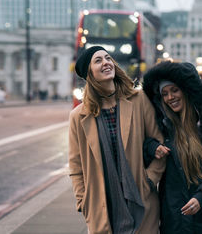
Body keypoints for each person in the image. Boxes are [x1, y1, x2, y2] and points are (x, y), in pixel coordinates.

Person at [68, 46, 166, 234]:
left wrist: (150, 180)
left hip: (141, 200)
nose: (106, 62)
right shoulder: (78, 116)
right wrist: (83, 201)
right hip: (102, 205)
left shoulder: (139, 99)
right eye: (98, 60)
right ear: (89, 73)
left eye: (107, 58)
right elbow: (75, 165)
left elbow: (159, 143)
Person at [143, 61, 202, 233]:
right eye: (164, 93)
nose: (170, 97)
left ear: (188, 90)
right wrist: (151, 147)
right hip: (175, 218)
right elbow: (141, 151)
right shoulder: (162, 127)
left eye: (175, 90)